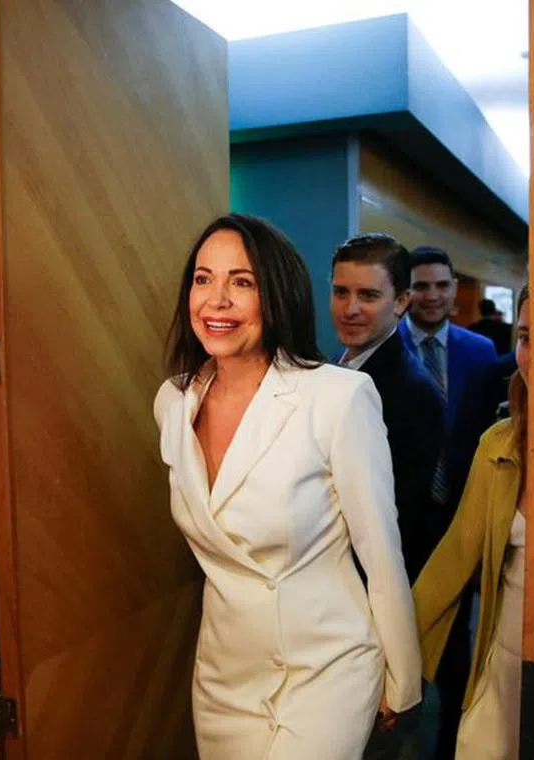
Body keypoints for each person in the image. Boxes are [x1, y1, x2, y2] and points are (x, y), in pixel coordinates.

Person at [154, 214, 421, 759]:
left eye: (242, 282)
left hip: (326, 670)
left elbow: (379, 549)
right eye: (203, 279)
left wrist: (403, 677)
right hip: (225, 677)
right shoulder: (173, 402)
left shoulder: (337, 396)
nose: (217, 301)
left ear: (276, 294)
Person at [329, 233, 444, 759]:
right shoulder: (336, 368)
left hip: (362, 620)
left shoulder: (411, 392)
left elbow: (397, 533)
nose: (350, 308)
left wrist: (389, 656)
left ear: (401, 302)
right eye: (341, 291)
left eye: (368, 295)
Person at [413, 284, 531, 760]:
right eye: (526, 338)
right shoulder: (498, 445)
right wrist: (394, 661)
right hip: (504, 665)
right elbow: (453, 559)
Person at [397, 245, 498, 759]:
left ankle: (449, 747)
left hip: (459, 518)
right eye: (422, 285)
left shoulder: (481, 352)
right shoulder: (386, 345)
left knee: (457, 649)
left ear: (455, 289)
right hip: (400, 523)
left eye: (442, 285)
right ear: (405, 292)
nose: (433, 296)